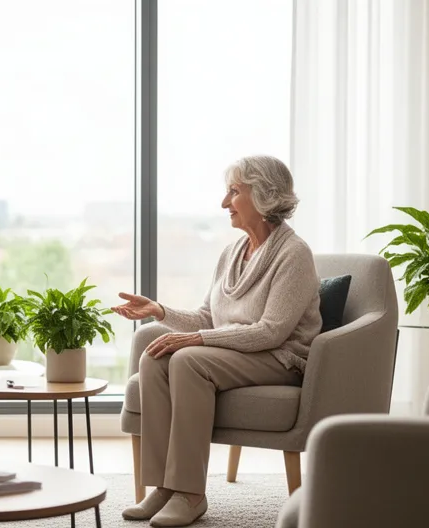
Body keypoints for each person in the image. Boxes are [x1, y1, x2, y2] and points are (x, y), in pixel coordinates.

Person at [111, 155, 321, 527]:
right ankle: (163, 486)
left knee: (188, 359)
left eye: (233, 192)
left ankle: (190, 494)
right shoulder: (232, 252)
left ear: (264, 196)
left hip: (279, 359)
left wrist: (196, 339)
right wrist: (158, 311)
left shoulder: (294, 254)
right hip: (237, 354)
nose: (224, 203)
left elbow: (271, 330)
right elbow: (208, 316)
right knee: (154, 357)